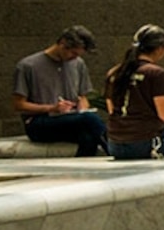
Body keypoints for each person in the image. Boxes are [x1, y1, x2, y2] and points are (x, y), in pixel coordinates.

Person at [106, 27, 164, 160]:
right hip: (147, 142)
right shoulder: (155, 73)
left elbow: (111, 109)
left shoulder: (114, 73)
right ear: (161, 48)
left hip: (115, 144)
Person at [12, 27, 105, 157]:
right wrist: (53, 108)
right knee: (89, 119)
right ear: (62, 44)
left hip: (72, 118)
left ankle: (81, 170)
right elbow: (19, 105)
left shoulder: (78, 64)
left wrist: (82, 107)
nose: (74, 58)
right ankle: (115, 148)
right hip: (39, 122)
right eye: (73, 53)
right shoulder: (28, 66)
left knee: (88, 136)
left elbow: (83, 96)